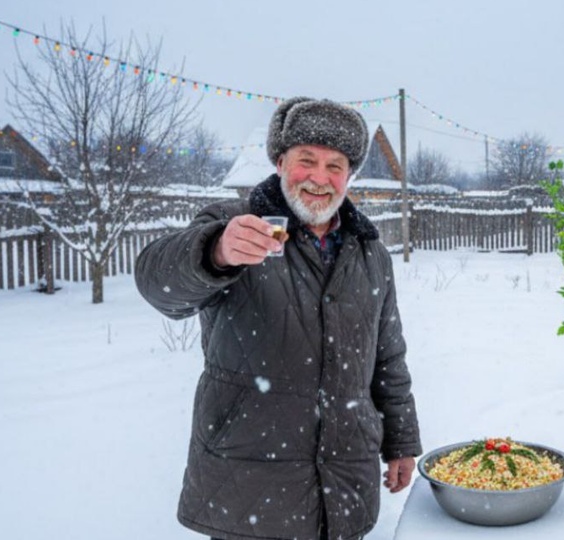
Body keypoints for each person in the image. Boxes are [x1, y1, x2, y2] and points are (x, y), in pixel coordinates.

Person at [135, 97, 422, 540]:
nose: (320, 179)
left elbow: (388, 359)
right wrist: (215, 251)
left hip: (346, 485)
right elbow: (158, 283)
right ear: (279, 161)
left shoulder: (370, 254)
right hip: (250, 491)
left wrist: (401, 443)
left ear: (349, 176)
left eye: (335, 166)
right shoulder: (236, 225)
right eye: (306, 161)